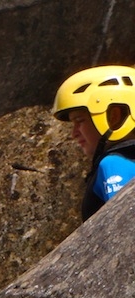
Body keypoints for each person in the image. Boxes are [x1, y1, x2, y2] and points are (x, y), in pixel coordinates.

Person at [53, 65, 135, 221]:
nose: (74, 133)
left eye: (79, 121)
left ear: (114, 116)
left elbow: (124, 227)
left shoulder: (113, 165)